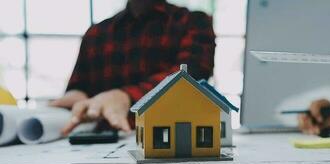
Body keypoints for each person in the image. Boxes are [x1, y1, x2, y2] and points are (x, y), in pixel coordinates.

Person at [50, 0, 215, 135]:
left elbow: (189, 78)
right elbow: (79, 86)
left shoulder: (194, 22)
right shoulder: (95, 33)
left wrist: (124, 97)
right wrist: (76, 96)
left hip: (168, 136)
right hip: (103, 143)